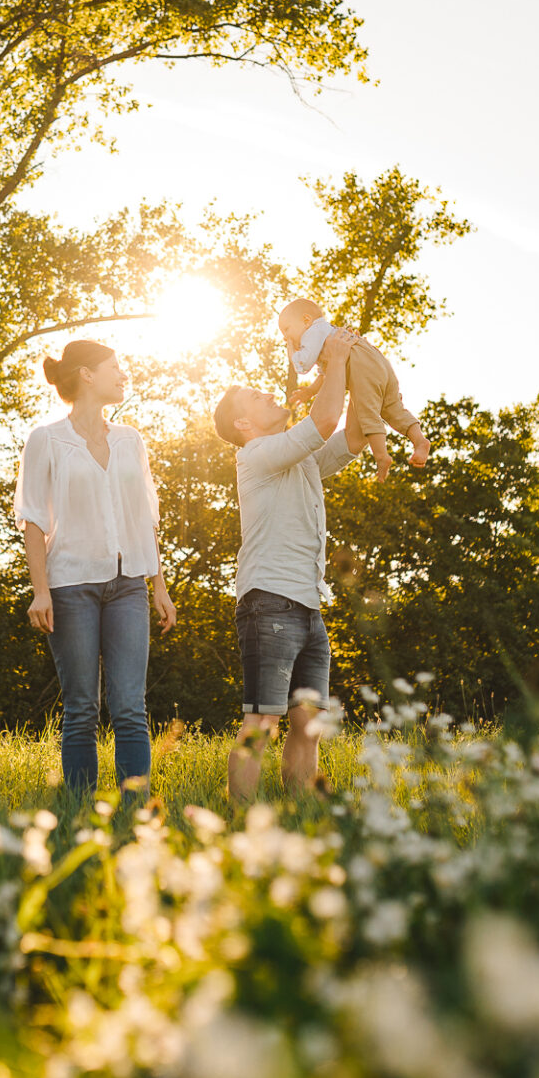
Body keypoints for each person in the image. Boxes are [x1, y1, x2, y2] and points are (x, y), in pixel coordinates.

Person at [15, 339, 176, 798]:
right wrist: (40, 591)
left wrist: (158, 586)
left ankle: (134, 810)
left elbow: (145, 517)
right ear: (87, 374)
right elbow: (33, 519)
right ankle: (80, 810)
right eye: (115, 367)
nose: (123, 375)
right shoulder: (46, 439)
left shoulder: (130, 440)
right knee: (82, 706)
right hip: (70, 586)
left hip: (128, 586)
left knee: (130, 706)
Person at [213, 326, 363, 804]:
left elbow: (354, 434)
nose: (268, 393)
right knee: (262, 721)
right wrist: (333, 359)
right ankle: (241, 822)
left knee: (308, 723)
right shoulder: (256, 454)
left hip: (307, 604)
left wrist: (352, 367)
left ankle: (301, 814)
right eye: (256, 396)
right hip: (269, 601)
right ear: (243, 425)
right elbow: (320, 422)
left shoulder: (302, 460)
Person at [278, 296, 429, 483]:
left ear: (306, 320)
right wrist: (310, 391)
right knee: (392, 407)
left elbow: (301, 365)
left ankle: (381, 455)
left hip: (361, 365)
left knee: (366, 409)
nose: (285, 336)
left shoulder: (311, 333)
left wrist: (290, 348)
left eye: (286, 329)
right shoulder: (328, 333)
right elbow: (326, 375)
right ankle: (420, 441)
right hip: (375, 359)